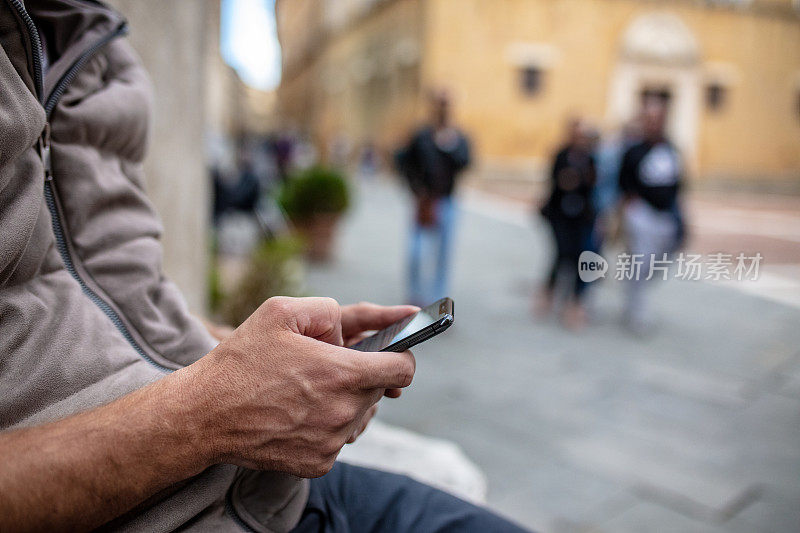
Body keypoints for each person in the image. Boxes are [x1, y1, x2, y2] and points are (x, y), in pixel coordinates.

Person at [0, 3, 528, 532]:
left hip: (272, 492)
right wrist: (213, 414)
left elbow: (109, 295)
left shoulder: (86, 23)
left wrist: (258, 357)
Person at [395, 89, 471, 306]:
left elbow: (465, 162)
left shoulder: (458, 137)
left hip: (447, 201)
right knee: (416, 252)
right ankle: (414, 297)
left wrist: (449, 146)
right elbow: (404, 163)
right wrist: (415, 190)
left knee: (444, 255)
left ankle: (439, 300)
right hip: (424, 201)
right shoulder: (421, 135)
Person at [618, 99, 685, 334]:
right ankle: (638, 312)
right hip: (642, 214)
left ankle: (635, 296)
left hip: (666, 215)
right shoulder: (634, 151)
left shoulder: (671, 149)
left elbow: (678, 184)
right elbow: (623, 181)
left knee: (660, 263)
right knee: (641, 262)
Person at [537, 118, 597, 329]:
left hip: (580, 216)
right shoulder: (562, 155)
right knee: (561, 253)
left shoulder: (590, 158)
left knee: (578, 256)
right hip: (560, 214)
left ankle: (572, 302)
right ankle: (549, 291)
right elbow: (557, 182)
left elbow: (591, 186)